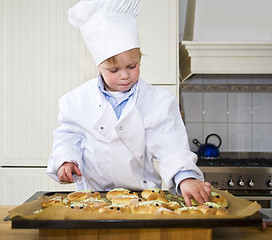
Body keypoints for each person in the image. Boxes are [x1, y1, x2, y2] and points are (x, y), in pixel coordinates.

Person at [47, 0, 211, 207]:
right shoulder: (76, 101)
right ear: (99, 66)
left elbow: (171, 145)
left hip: (145, 198)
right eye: (114, 71)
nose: (124, 76)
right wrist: (66, 160)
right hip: (94, 199)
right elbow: (68, 138)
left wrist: (185, 176)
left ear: (140, 60)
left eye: (131, 66)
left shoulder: (157, 101)